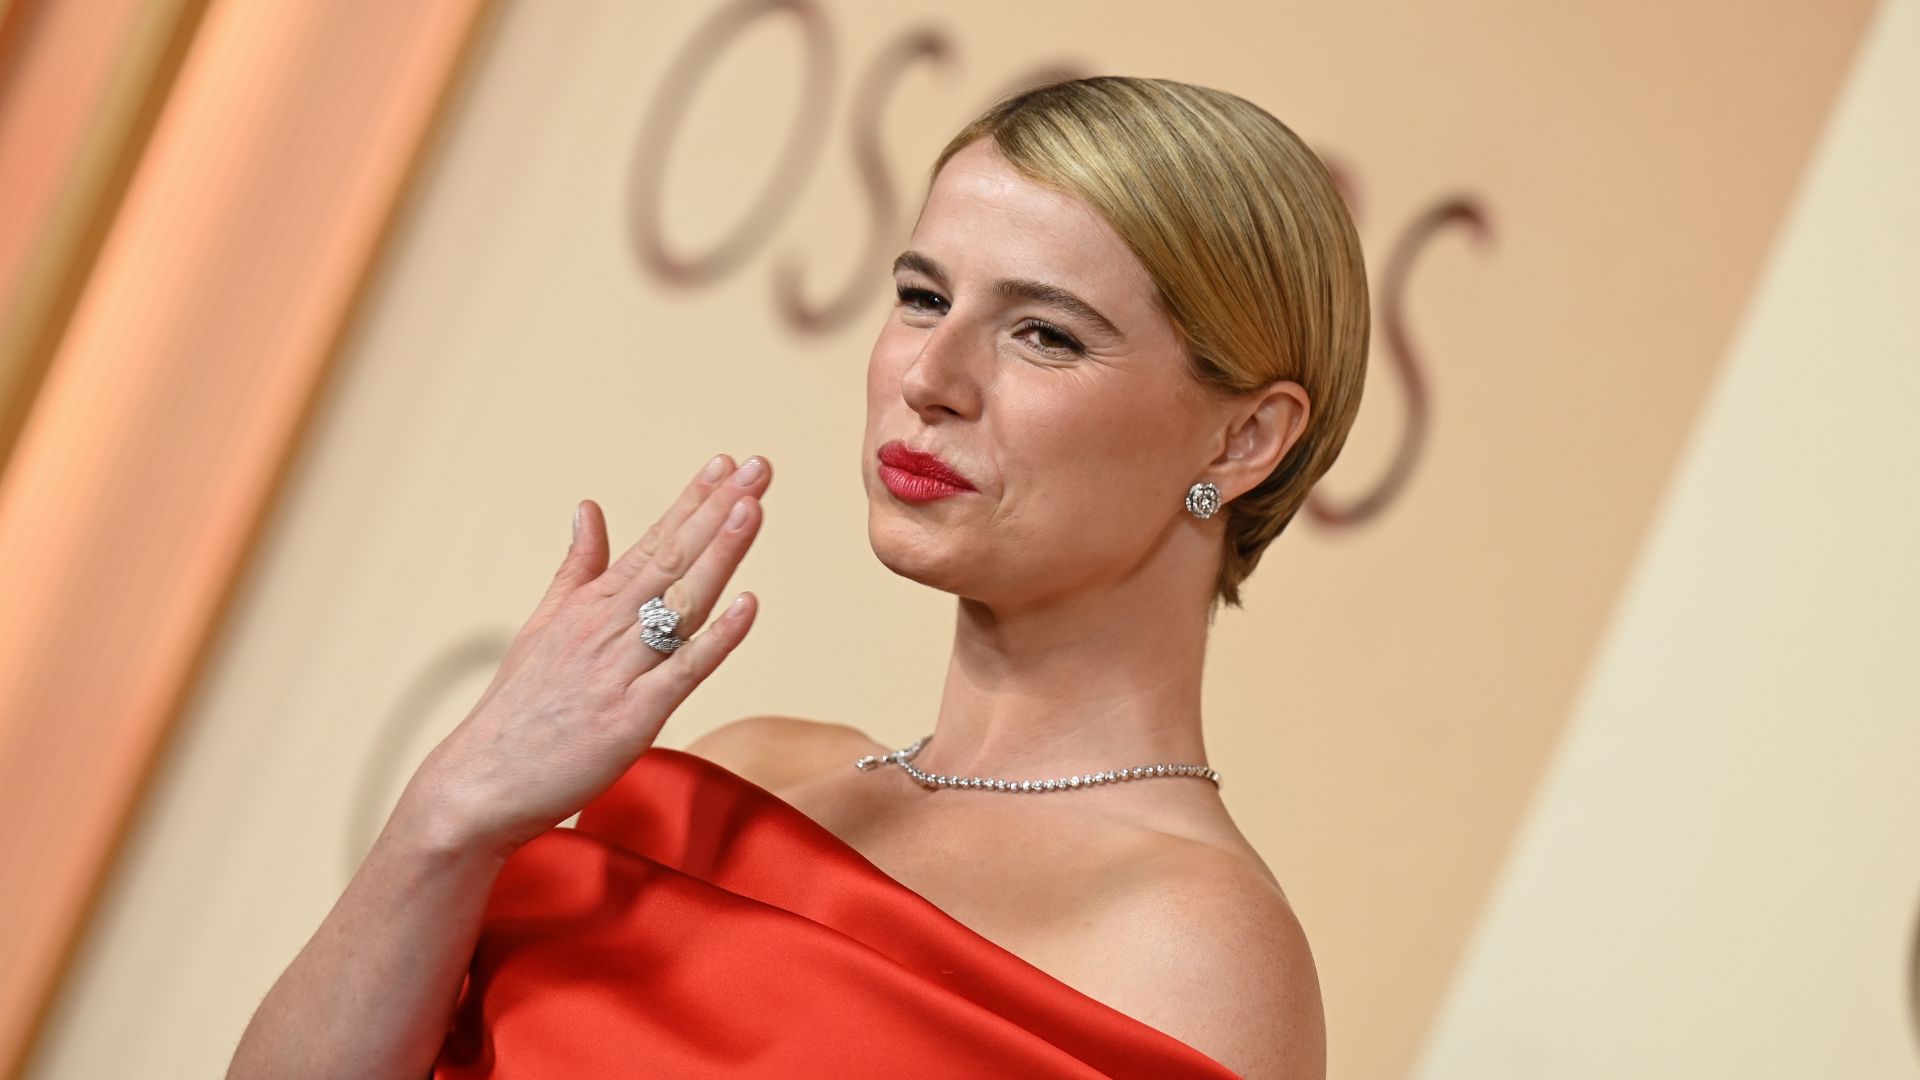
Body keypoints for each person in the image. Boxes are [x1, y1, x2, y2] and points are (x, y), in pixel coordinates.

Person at [228, 75, 1367, 1080]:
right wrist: (450, 816)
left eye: (1045, 336)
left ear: (1241, 441)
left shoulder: (1198, 949)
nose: (930, 375)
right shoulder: (735, 776)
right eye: (924, 297)